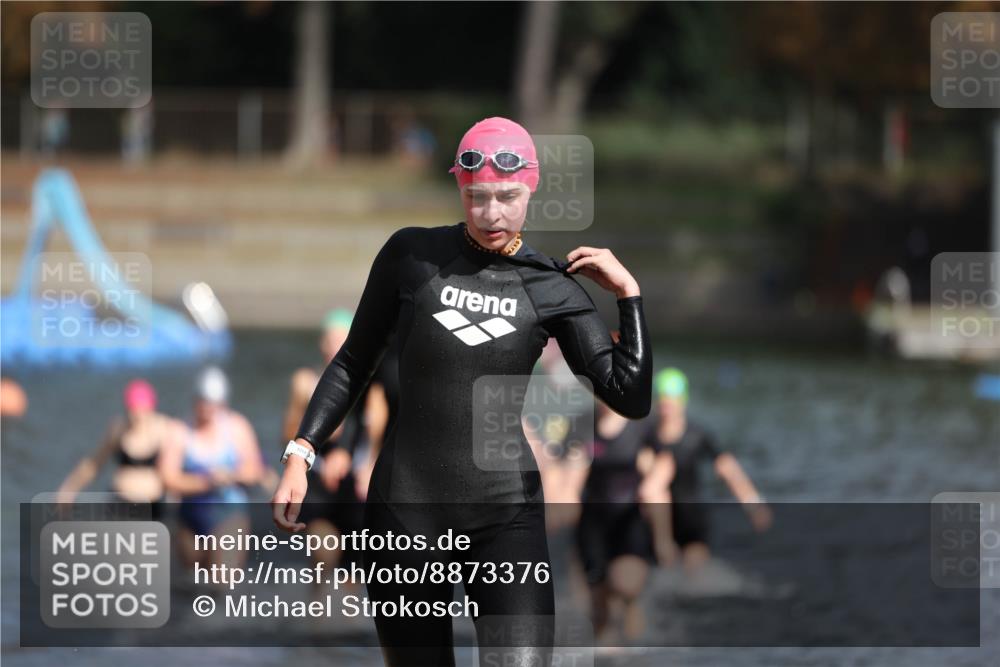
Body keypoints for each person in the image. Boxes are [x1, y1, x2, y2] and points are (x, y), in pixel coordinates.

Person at [272, 116, 653, 667]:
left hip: (506, 519)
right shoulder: (411, 256)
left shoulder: (553, 287)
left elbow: (630, 397)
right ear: (460, 187)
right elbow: (353, 362)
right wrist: (299, 454)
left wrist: (629, 297)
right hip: (406, 514)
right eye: (477, 197)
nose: (492, 213)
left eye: (507, 196)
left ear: (532, 188)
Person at [640, 368, 772, 573]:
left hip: (692, 518)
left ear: (683, 400)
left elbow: (729, 470)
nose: (667, 405)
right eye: (663, 399)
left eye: (671, 399)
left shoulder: (697, 436)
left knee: (695, 576)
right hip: (657, 520)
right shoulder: (647, 436)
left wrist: (753, 505)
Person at [282, 309, 368, 587]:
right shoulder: (305, 382)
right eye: (331, 340)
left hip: (352, 485)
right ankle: (316, 616)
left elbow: (376, 433)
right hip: (317, 482)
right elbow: (287, 434)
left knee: (352, 572)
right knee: (325, 552)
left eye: (342, 340)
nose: (336, 347)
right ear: (322, 344)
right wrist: (318, 429)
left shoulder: (370, 385)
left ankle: (346, 627)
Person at [159, 367, 263, 570]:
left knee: (222, 578)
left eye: (213, 405)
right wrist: (207, 481)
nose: (207, 409)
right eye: (203, 403)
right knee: (193, 579)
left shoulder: (237, 427)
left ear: (222, 404)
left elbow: (254, 471)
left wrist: (231, 476)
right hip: (190, 515)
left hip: (229, 511)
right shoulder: (179, 430)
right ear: (195, 401)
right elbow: (167, 478)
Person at [57, 379, 172, 518]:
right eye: (132, 410)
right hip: (120, 503)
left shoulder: (165, 429)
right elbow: (94, 463)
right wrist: (69, 488)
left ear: (151, 407)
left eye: (141, 410)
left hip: (153, 506)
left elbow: (175, 473)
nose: (136, 416)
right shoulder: (118, 428)